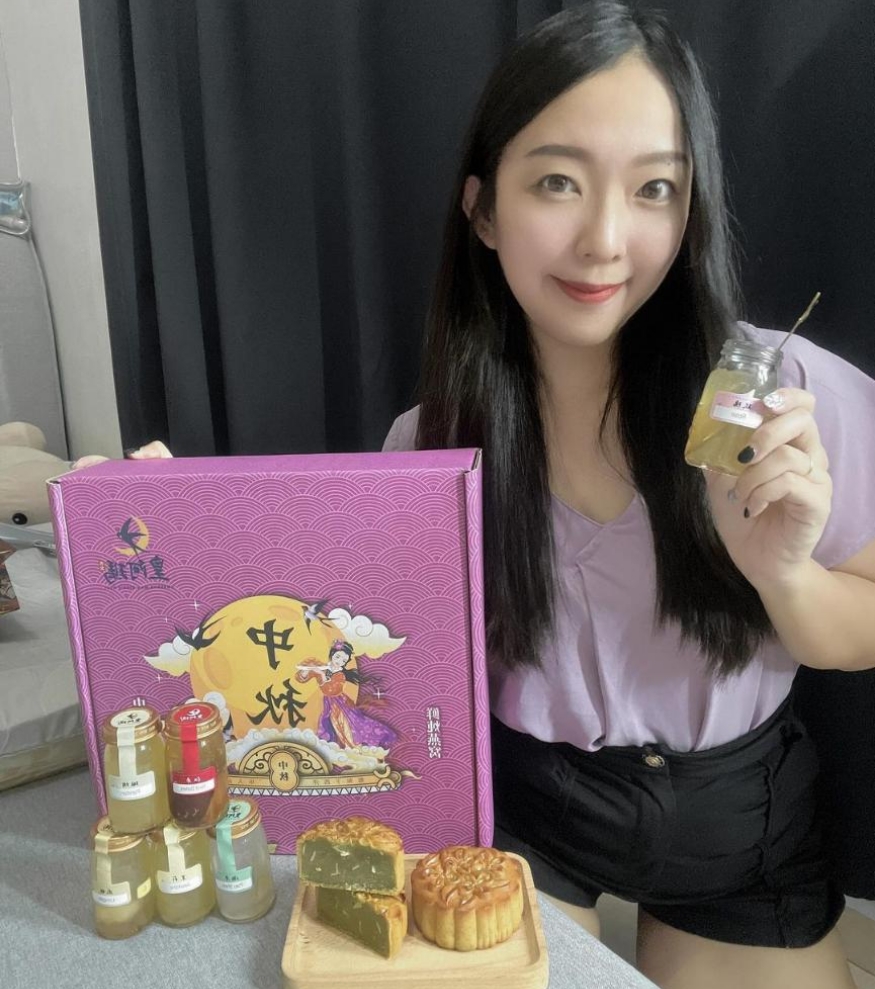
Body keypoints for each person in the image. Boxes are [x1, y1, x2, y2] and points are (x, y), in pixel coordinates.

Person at [75, 4, 875, 986]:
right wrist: (167, 532)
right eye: (556, 182)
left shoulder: (776, 398)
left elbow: (860, 626)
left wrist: (784, 576)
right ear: (483, 210)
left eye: (653, 188)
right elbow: (327, 633)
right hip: (526, 811)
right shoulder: (428, 446)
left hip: (737, 826)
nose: (603, 239)